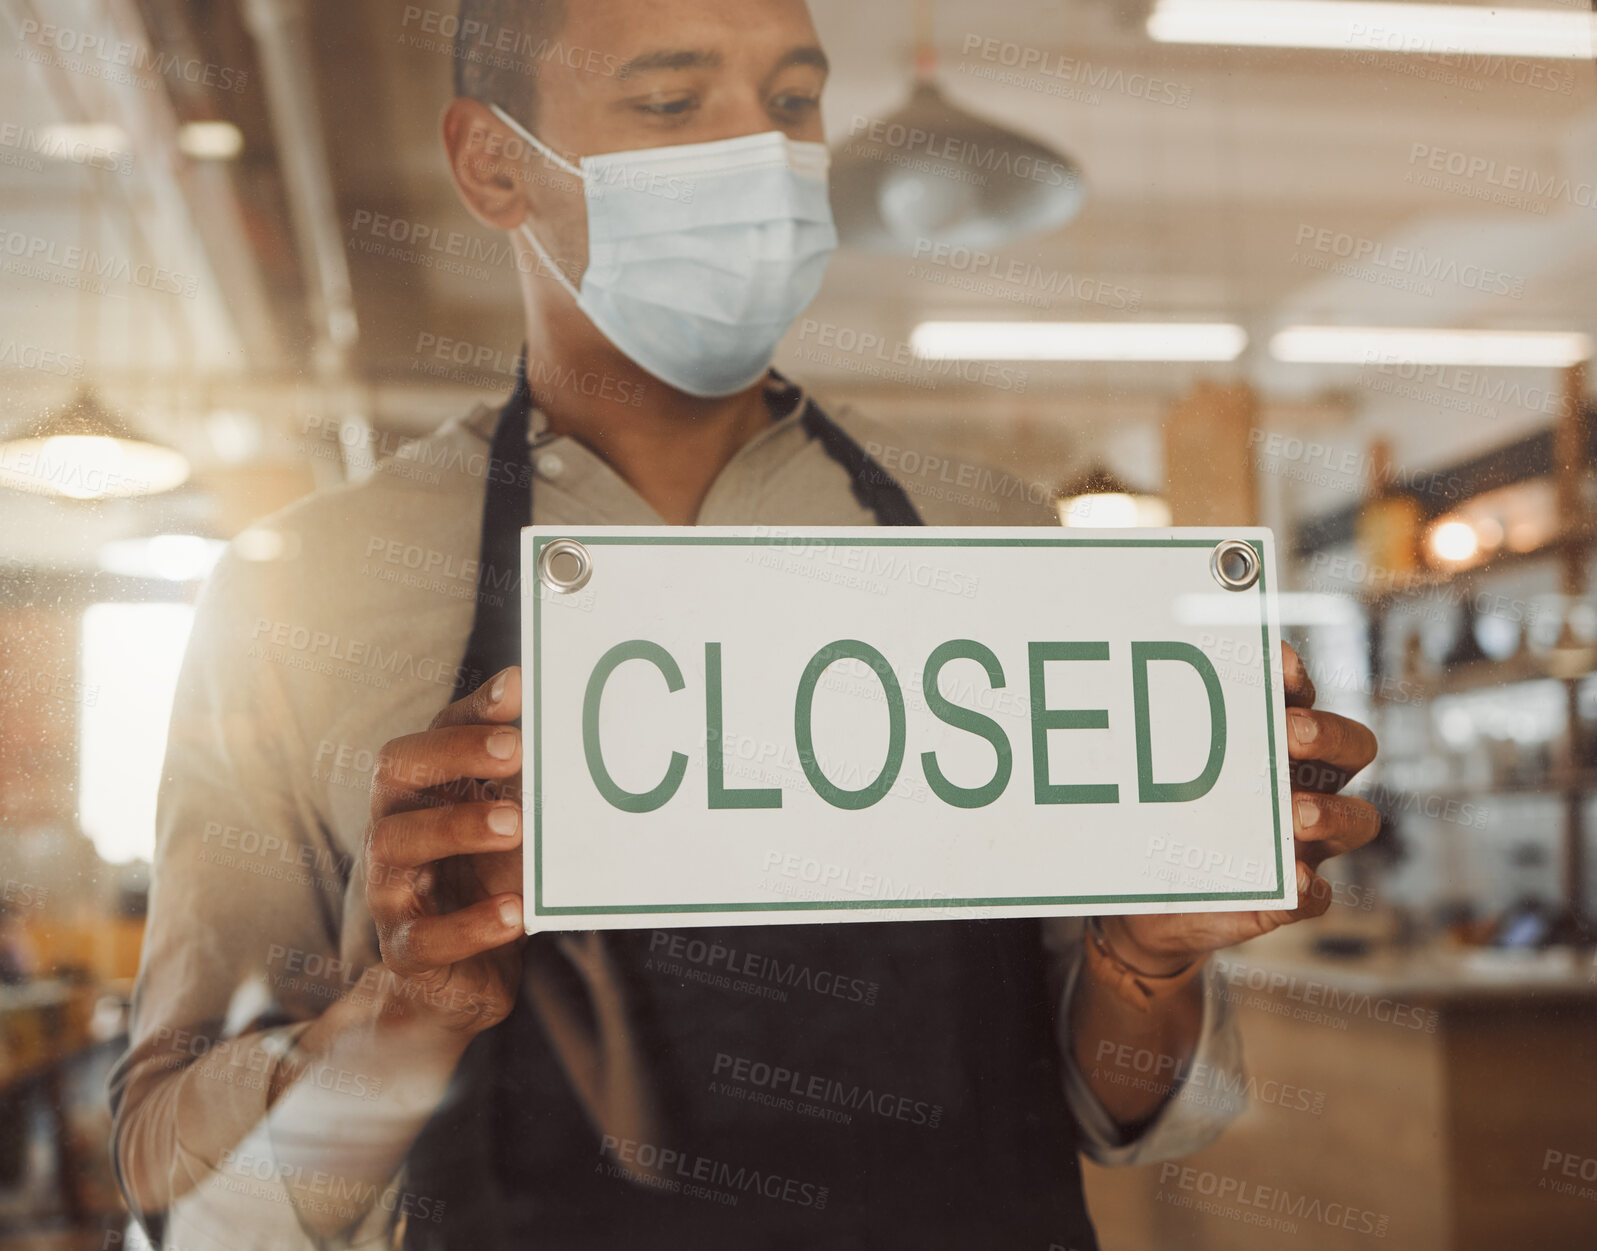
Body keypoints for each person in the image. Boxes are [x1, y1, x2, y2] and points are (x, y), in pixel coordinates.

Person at [109, 1, 1381, 1247]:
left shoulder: (988, 531)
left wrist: (1147, 964)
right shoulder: (299, 592)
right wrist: (405, 1013)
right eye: (670, 102)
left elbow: (1132, 1109)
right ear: (492, 161)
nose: (762, 159)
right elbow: (176, 1185)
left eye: (792, 103)